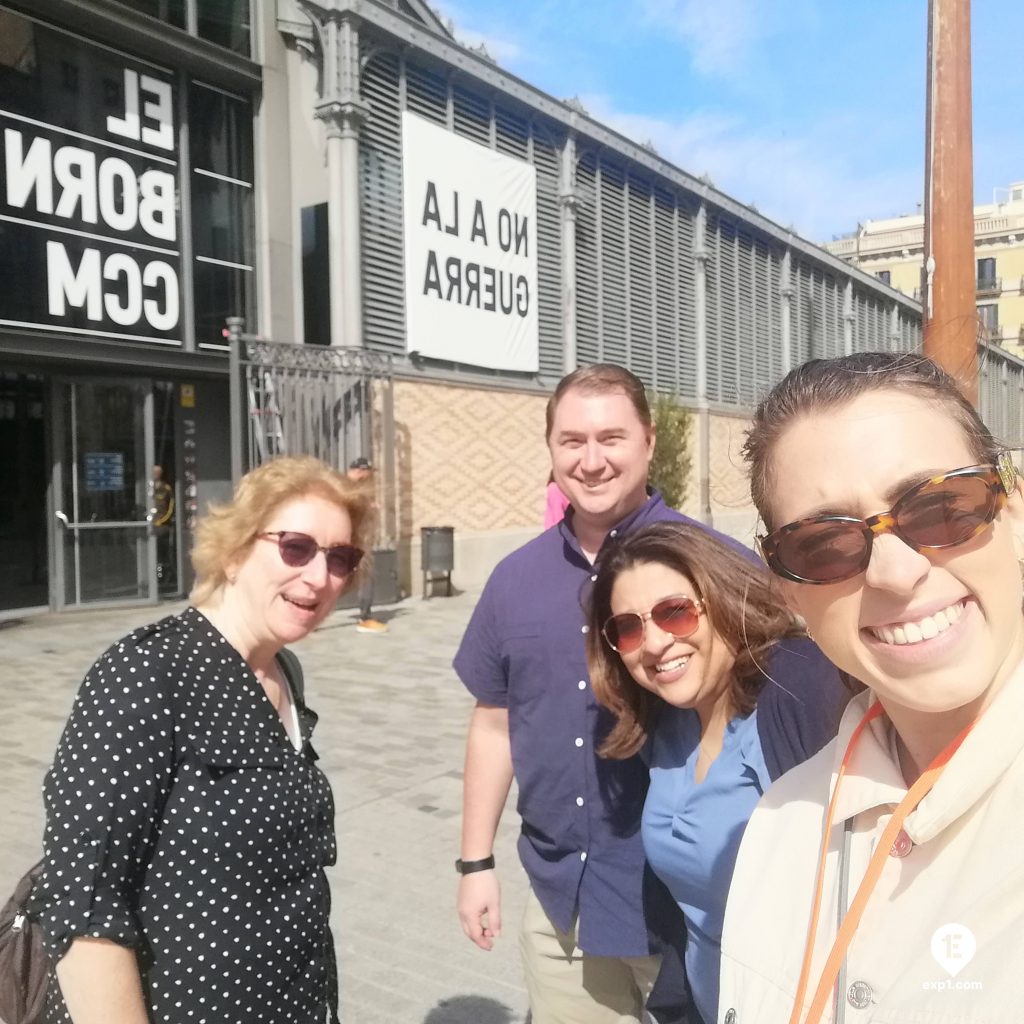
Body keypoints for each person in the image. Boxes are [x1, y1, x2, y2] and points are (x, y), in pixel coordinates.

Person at [453, 364, 838, 1024]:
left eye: (612, 437)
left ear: (649, 441)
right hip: (562, 904)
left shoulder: (715, 567)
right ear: (550, 448)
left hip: (682, 901)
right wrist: (475, 861)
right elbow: (495, 725)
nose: (592, 459)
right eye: (572, 440)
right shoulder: (514, 581)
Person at [718, 352, 1024, 1024]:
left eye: (941, 507)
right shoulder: (779, 821)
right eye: (824, 546)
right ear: (786, 592)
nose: (895, 570)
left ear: (1014, 511)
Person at [34, 455, 370, 1024]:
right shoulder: (147, 673)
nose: (320, 577)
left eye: (340, 558)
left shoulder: (283, 671)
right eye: (296, 546)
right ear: (235, 552)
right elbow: (83, 905)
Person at [587, 522, 848, 1024]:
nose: (655, 643)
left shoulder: (801, 685)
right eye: (628, 628)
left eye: (675, 613)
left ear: (724, 598)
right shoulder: (664, 724)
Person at [347, 456, 388, 634]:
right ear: (360, 471)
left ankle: (365, 613)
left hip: (357, 537)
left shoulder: (356, 486)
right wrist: (369, 506)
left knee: (365, 574)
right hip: (352, 538)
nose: (370, 477)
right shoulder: (346, 487)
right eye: (368, 473)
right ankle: (365, 616)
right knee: (365, 574)